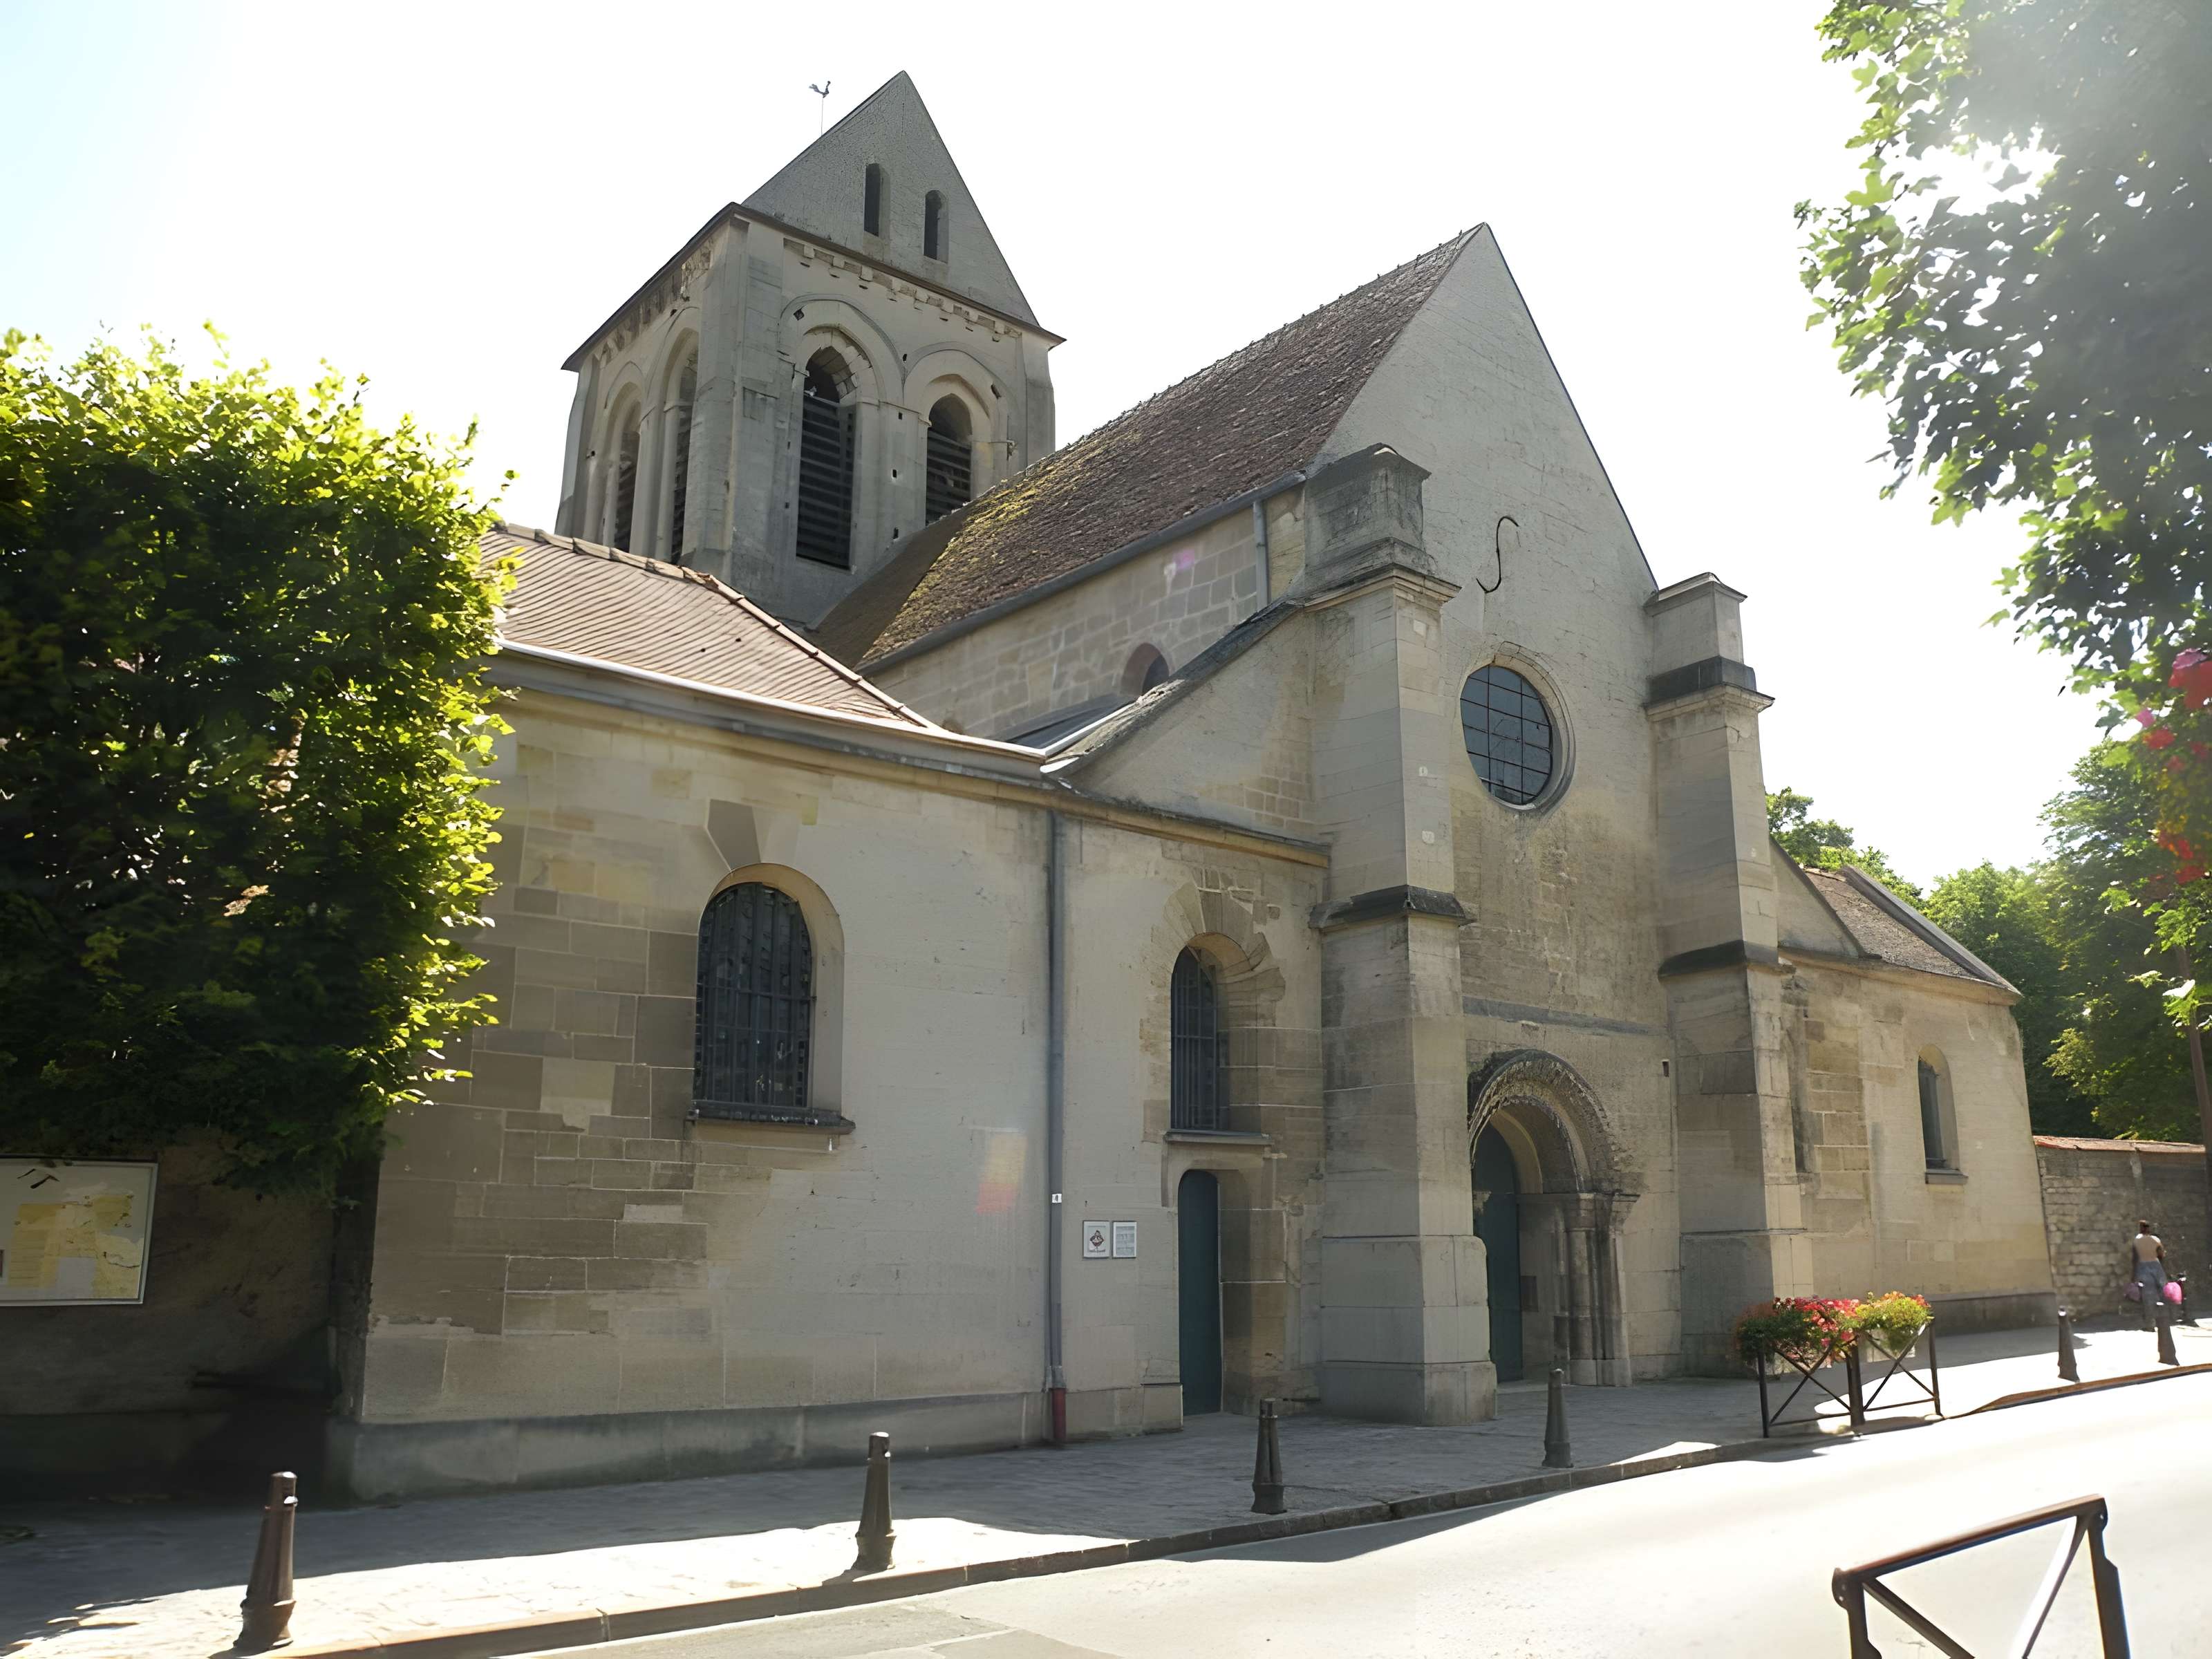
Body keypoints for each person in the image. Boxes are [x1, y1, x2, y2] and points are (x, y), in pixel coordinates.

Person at [2126, 1219, 2170, 1328]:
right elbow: (2161, 1254)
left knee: (2148, 1296)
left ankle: (2150, 1324)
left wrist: (2133, 1274)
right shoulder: (2156, 1239)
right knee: (2161, 1292)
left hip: (2143, 1266)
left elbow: (2135, 1257)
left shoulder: (2137, 1240)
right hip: (2156, 1265)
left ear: (2141, 1228)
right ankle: (2164, 1320)